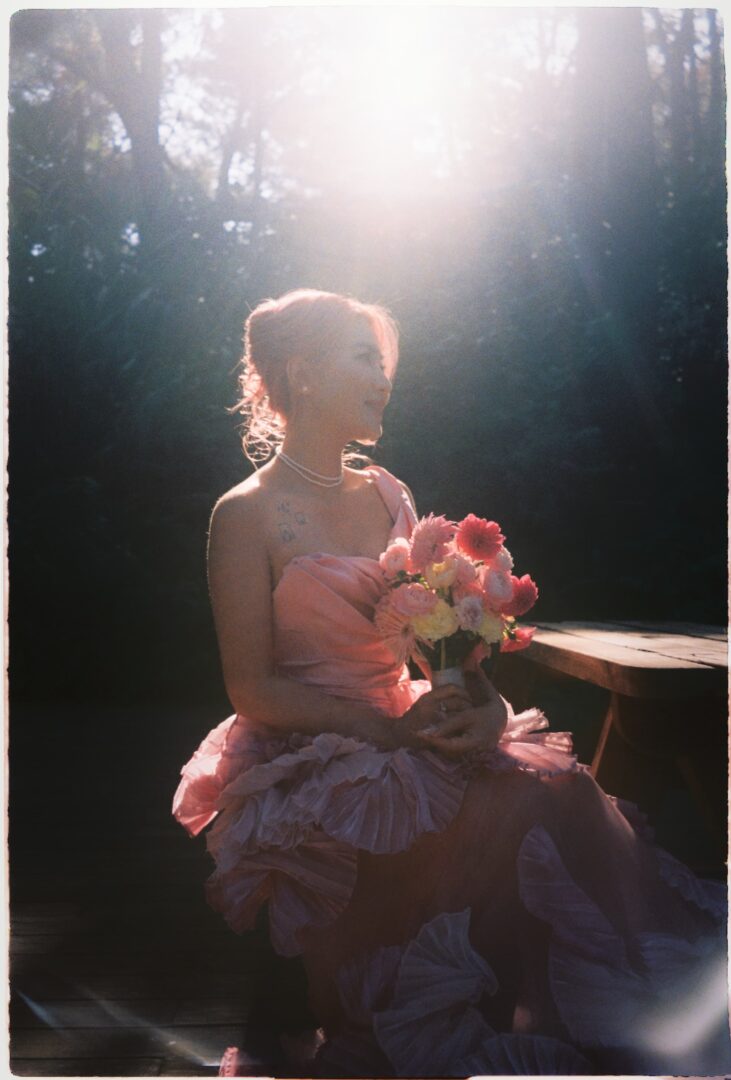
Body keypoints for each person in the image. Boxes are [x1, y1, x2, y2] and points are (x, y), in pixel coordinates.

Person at [173, 288, 729, 1078]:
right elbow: (252, 689)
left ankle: (593, 1015)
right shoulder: (245, 514)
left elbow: (436, 641)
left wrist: (486, 704)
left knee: (557, 791)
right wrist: (386, 732)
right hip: (308, 748)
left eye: (383, 364)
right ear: (302, 372)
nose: (383, 379)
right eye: (364, 359)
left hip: (406, 723)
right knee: (479, 820)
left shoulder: (390, 492)